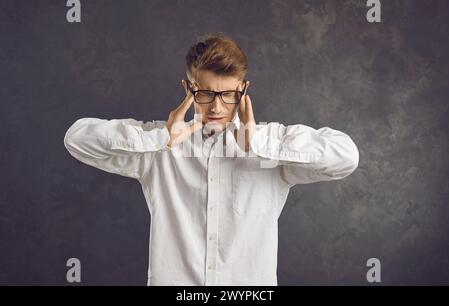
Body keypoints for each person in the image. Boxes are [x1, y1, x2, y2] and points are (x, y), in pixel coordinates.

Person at [63, 33, 359, 286]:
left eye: (228, 94)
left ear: (243, 91)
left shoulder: (271, 149)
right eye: (205, 93)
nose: (217, 107)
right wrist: (158, 139)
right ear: (189, 89)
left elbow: (346, 157)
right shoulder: (158, 148)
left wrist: (256, 143)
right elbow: (76, 140)